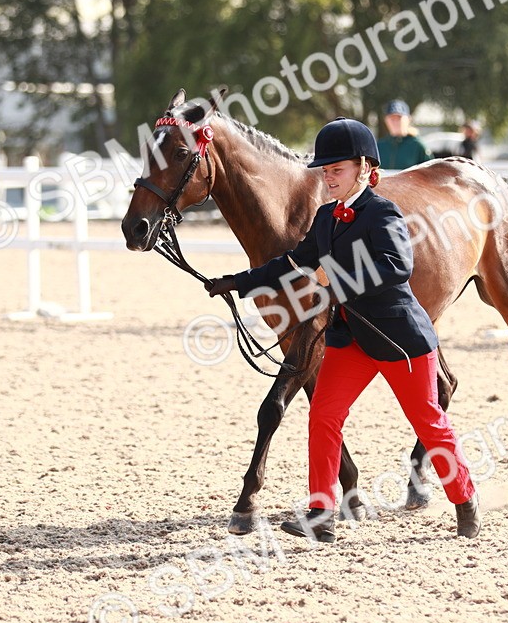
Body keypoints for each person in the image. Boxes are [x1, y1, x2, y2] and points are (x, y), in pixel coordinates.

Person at [205, 117, 481, 543]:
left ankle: (464, 499)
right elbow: (293, 262)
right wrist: (238, 282)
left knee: (427, 419)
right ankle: (321, 512)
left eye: (337, 170)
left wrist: (330, 276)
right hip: (351, 338)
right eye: (326, 170)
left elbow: (396, 267)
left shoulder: (383, 211)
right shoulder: (325, 217)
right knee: (324, 415)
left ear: (364, 169)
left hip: (398, 339)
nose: (328, 177)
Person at [377, 100, 433, 170]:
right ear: (386, 120)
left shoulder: (417, 146)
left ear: (408, 119)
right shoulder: (379, 146)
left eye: (399, 118)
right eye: (392, 118)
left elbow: (430, 173)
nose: (395, 122)